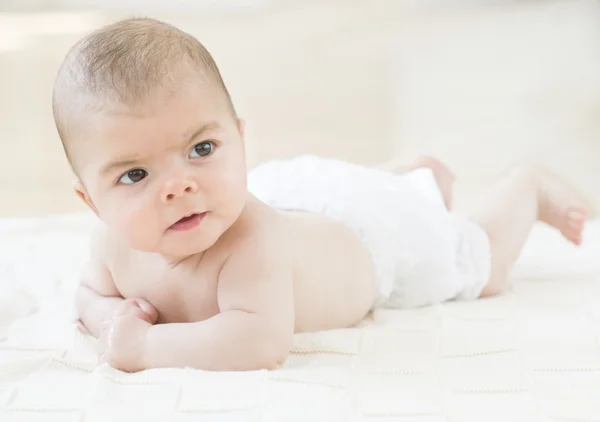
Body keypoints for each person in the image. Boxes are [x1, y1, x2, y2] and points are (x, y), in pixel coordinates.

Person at [52, 18, 589, 372]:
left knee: (482, 267)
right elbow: (88, 294)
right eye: (134, 176)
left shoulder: (248, 242)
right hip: (312, 204)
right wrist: (108, 318)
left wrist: (142, 347)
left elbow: (257, 343)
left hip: (373, 240)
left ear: (239, 138)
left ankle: (526, 186)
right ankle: (409, 178)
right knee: (376, 192)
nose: (180, 185)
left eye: (202, 148)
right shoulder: (110, 246)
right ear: (92, 203)